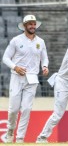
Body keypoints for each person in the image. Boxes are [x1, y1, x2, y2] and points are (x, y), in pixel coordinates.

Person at [2, 14, 49, 143]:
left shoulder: (40, 41)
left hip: (32, 78)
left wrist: (45, 66)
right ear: (24, 26)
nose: (32, 26)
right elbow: (5, 58)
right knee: (13, 109)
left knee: (27, 109)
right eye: (30, 24)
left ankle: (20, 138)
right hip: (17, 77)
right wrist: (15, 67)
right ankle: (10, 131)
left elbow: (44, 57)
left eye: (34, 24)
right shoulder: (16, 40)